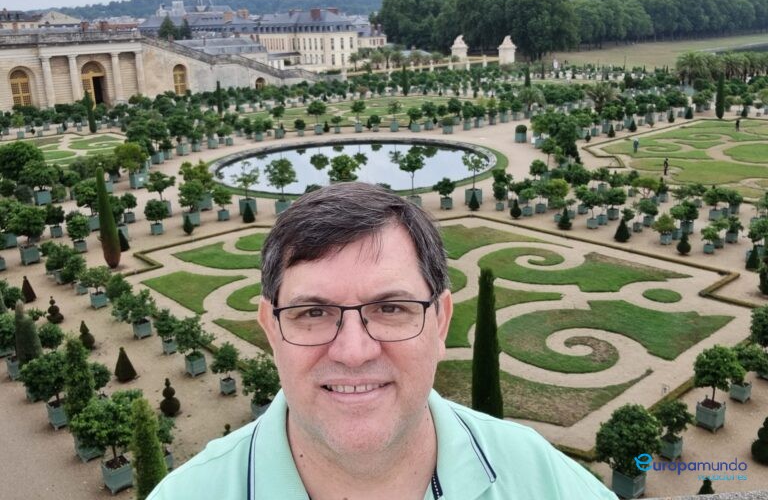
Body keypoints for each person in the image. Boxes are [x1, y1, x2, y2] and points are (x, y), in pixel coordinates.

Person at [148, 183, 617, 500]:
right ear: (271, 329)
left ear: (440, 322)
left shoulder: (541, 480)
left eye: (390, 308)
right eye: (312, 312)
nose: (353, 352)